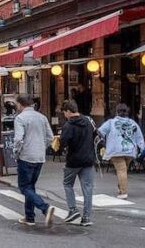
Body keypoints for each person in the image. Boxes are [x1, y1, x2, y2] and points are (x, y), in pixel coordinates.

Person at [13, 94, 56, 227]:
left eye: (17, 104)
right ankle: (29, 217)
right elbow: (50, 137)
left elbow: (18, 139)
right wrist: (42, 147)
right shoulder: (42, 117)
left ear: (20, 104)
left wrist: (16, 152)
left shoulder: (20, 118)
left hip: (26, 156)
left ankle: (44, 207)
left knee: (24, 187)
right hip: (39, 156)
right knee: (30, 187)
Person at [60, 100, 96, 227]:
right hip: (88, 159)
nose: (64, 115)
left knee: (68, 184)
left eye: (64, 112)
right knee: (88, 188)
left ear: (69, 111)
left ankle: (73, 210)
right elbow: (96, 135)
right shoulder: (88, 121)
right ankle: (86, 217)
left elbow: (63, 142)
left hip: (73, 160)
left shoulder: (68, 125)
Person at [98, 103, 145, 199]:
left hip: (116, 150)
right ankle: (120, 188)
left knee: (121, 171)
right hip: (130, 150)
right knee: (124, 170)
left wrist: (103, 141)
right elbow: (139, 137)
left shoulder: (111, 122)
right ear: (127, 112)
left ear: (117, 112)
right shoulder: (133, 123)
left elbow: (100, 132)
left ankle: (123, 192)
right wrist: (142, 149)